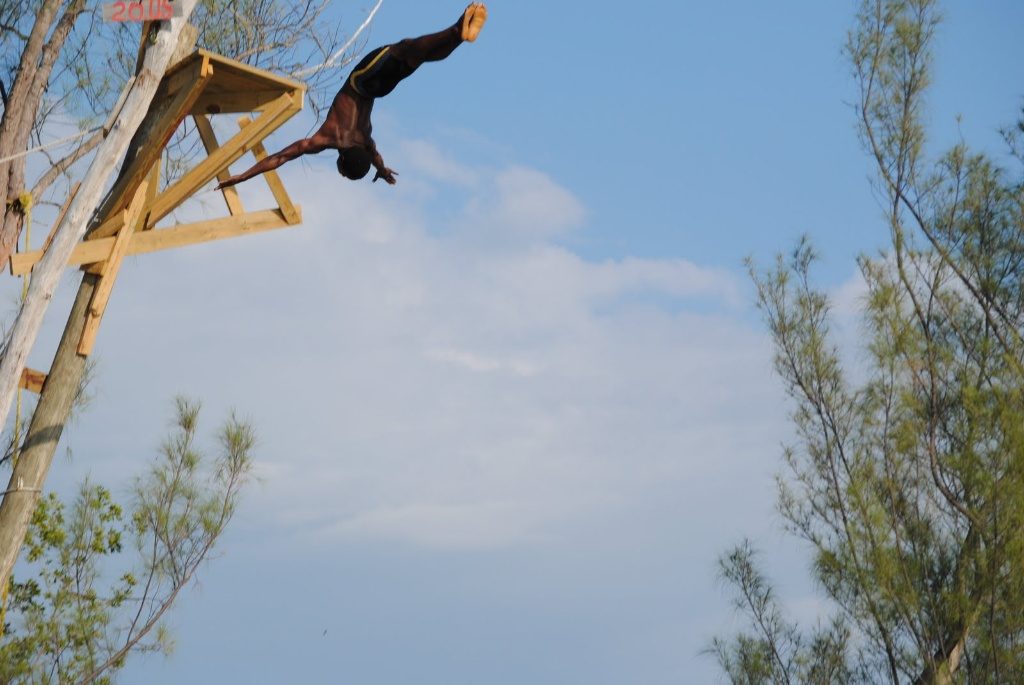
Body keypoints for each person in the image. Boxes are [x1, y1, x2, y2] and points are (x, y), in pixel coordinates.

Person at [216, 3, 487, 189]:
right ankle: (456, 31)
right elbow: (280, 158)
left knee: (414, 57)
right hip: (364, 82)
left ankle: (458, 35)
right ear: (342, 159)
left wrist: (382, 171)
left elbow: (376, 160)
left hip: (377, 86)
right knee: (407, 50)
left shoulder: (366, 141)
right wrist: (242, 175)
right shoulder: (327, 139)